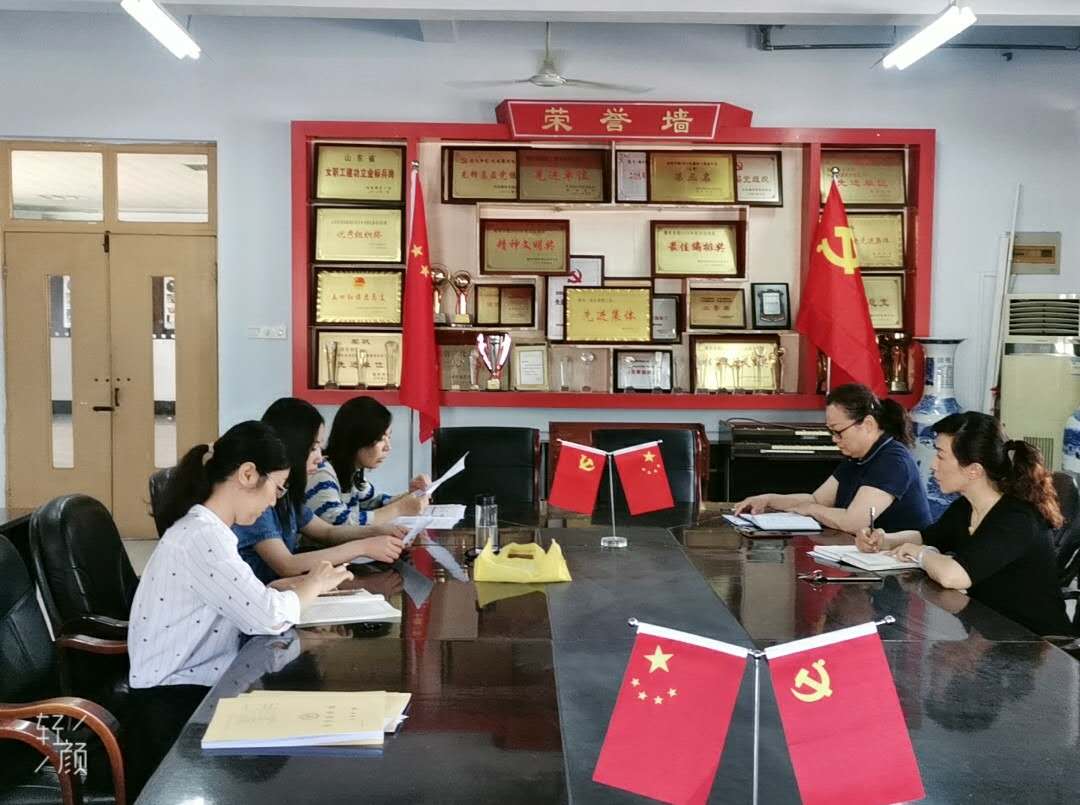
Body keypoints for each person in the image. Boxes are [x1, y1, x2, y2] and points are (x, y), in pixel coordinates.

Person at [128, 421, 352, 792]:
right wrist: (312, 585)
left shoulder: (210, 530)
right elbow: (266, 616)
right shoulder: (203, 536)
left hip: (197, 686)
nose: (274, 501)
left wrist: (282, 589)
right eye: (278, 488)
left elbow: (242, 598)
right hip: (172, 703)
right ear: (248, 474)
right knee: (282, 765)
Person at [856, 411, 1071, 637]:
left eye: (941, 456)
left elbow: (953, 575)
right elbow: (926, 537)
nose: (933, 465)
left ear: (974, 470)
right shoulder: (966, 507)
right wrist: (884, 540)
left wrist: (920, 554)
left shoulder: (1016, 519)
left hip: (1036, 643)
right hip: (990, 631)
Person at [234, 397, 408, 583]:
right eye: (313, 448)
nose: (319, 457)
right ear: (292, 447)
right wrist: (364, 547)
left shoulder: (286, 494)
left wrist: (376, 532)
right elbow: (287, 564)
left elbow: (327, 532)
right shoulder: (260, 498)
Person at [734, 383, 931, 534]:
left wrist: (812, 509)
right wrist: (767, 499)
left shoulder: (893, 461)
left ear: (868, 425)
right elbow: (817, 499)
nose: (835, 439)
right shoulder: (857, 457)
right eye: (831, 432)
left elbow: (854, 522)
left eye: (838, 431)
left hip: (900, 559)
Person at [305, 395, 429, 527]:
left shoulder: (352, 471)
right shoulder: (322, 473)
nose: (388, 447)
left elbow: (375, 503)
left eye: (389, 437)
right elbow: (340, 525)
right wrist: (399, 509)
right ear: (358, 439)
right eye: (380, 439)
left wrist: (411, 495)